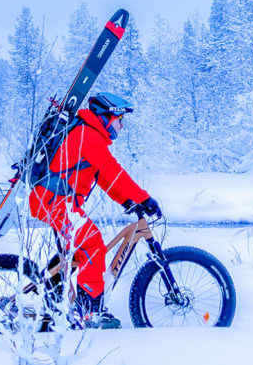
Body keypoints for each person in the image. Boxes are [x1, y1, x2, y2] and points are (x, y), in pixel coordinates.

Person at [28, 92, 162, 329]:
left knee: (77, 254)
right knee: (92, 244)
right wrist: (145, 199)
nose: (122, 126)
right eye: (120, 120)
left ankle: (51, 302)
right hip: (55, 202)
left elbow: (106, 180)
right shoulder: (88, 135)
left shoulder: (87, 134)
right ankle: (89, 311)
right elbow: (113, 172)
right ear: (106, 117)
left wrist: (129, 201)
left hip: (54, 201)